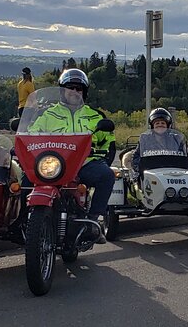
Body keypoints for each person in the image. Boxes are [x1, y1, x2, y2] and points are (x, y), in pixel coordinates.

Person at [27, 68, 115, 244]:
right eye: (70, 87)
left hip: (83, 164)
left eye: (79, 88)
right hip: (51, 165)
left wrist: (102, 159)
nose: (74, 91)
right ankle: (23, 223)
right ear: (62, 90)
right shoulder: (47, 114)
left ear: (84, 92)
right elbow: (30, 135)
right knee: (24, 180)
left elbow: (109, 143)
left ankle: (92, 221)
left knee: (107, 175)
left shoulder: (95, 115)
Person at [131, 108, 188, 181]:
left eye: (163, 123)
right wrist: (139, 169)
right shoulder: (145, 139)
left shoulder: (176, 139)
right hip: (151, 174)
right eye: (157, 123)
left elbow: (185, 158)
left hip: (172, 173)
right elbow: (136, 157)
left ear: (168, 125)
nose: (160, 125)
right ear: (152, 126)